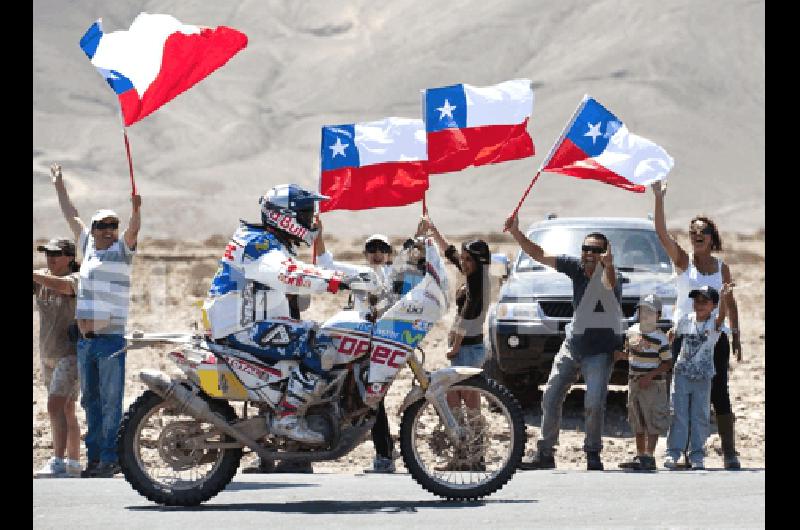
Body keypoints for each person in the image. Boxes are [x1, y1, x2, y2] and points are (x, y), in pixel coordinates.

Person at [203, 184, 369, 445]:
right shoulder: (257, 244)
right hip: (242, 327)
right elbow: (287, 273)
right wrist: (336, 282)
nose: (310, 219)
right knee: (321, 345)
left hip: (248, 322)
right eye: (304, 213)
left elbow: (302, 270)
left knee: (309, 339)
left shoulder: (269, 241)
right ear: (284, 216)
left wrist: (361, 277)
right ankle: (287, 418)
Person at [505, 212, 623, 471]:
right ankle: (545, 453)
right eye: (585, 248)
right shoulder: (575, 268)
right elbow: (539, 254)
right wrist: (516, 232)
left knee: (594, 403)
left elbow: (610, 283)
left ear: (605, 253)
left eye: (595, 249)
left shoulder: (612, 276)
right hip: (573, 345)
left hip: (600, 351)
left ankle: (593, 453)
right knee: (550, 396)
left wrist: (610, 265)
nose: (589, 253)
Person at [52, 163, 141, 478]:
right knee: (91, 401)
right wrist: (59, 187)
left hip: (110, 339)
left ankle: (110, 457)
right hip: (85, 342)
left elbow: (133, 232)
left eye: (112, 225)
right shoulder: (88, 246)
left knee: (110, 402)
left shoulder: (121, 251)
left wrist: (135, 210)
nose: (107, 230)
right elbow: (71, 215)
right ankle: (94, 459)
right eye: (102, 225)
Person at [652, 181, 742, 469]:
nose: (696, 235)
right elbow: (662, 234)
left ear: (712, 237)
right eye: (692, 232)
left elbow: (730, 300)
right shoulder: (682, 262)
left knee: (718, 392)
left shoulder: (721, 268)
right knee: (682, 396)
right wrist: (659, 199)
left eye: (702, 231)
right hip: (686, 338)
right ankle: (680, 452)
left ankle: (729, 452)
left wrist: (736, 334)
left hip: (715, 339)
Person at [315, 221, 401, 473]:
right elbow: (325, 264)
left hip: (378, 347)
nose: (377, 252)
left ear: (389, 254)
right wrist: (318, 236)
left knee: (372, 399)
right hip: (355, 346)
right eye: (372, 248)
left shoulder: (396, 280)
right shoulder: (360, 274)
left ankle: (384, 456)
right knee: (357, 398)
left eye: (382, 248)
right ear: (365, 254)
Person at [421, 215, 492, 471]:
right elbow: (450, 254)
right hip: (465, 347)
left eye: (468, 259)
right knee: (454, 400)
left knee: (470, 403)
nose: (464, 263)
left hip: (469, 348)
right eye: (464, 259)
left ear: (480, 261)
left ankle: (475, 456)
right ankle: (462, 455)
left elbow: (467, 314)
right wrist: (434, 230)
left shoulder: (479, 282)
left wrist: (455, 346)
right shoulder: (473, 273)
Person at [664, 285, 730, 470]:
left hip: (703, 376)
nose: (699, 304)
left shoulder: (714, 325)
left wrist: (724, 299)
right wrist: (672, 333)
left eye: (704, 301)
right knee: (679, 414)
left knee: (700, 416)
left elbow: (721, 317)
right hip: (682, 373)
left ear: (713, 305)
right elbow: (675, 333)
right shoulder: (687, 320)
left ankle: (697, 455)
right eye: (696, 300)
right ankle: (674, 453)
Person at [33, 238, 82, 478]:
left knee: (55, 406)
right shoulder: (41, 278)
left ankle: (58, 460)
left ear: (70, 257)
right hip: (48, 353)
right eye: (47, 254)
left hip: (70, 354)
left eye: (56, 254)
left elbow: (64, 287)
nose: (50, 258)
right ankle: (73, 463)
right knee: (66, 410)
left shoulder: (75, 279)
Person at [615, 294, 671, 472]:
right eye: (642, 310)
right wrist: (621, 356)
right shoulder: (631, 332)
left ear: (658, 316)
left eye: (650, 311)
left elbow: (668, 363)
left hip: (653, 383)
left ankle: (650, 455)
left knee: (652, 419)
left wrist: (650, 376)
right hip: (634, 381)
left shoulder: (661, 339)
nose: (645, 314)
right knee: (637, 419)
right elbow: (630, 353)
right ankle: (640, 455)